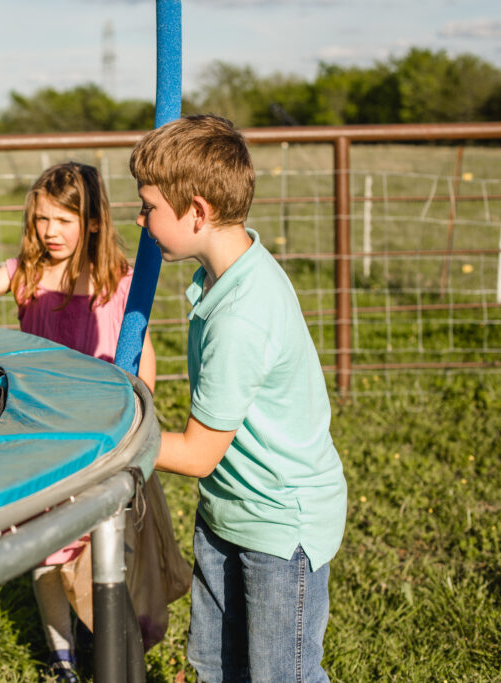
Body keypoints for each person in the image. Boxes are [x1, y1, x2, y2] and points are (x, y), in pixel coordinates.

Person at [128, 114, 347, 682]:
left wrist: (115, 444)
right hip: (229, 509)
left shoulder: (241, 315)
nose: (140, 217)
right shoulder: (227, 274)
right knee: (216, 666)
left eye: (149, 206)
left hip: (277, 522)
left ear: (196, 211)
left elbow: (199, 455)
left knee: (281, 674)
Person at [0, 161, 156, 682]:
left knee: (98, 551)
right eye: (40, 220)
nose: (50, 233)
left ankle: (110, 650)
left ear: (94, 222)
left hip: (99, 439)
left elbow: (143, 357)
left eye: (63, 220)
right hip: (39, 439)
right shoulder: (25, 274)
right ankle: (61, 661)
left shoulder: (118, 280)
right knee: (44, 552)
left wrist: (140, 422)